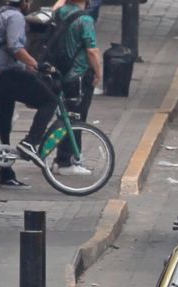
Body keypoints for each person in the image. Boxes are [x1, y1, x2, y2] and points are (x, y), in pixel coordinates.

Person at [0, 0, 60, 189]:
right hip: (6, 75)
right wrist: (35, 64)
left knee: (3, 126)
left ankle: (6, 175)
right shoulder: (14, 17)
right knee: (49, 101)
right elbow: (15, 47)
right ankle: (30, 143)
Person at [50, 0, 103, 176]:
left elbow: (55, 7)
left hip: (61, 73)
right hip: (78, 75)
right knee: (76, 119)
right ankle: (68, 161)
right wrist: (98, 72)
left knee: (65, 116)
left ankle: (60, 159)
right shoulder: (85, 20)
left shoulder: (60, 12)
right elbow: (92, 51)